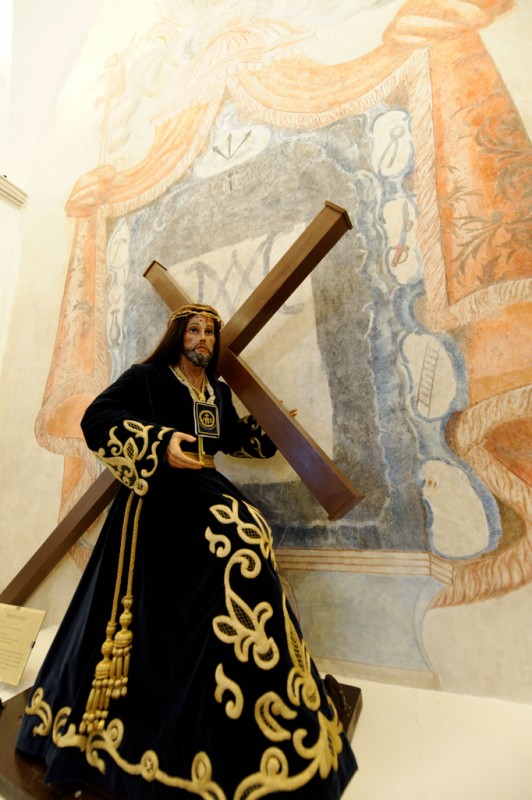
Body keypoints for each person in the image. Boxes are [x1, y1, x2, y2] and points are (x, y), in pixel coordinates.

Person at [16, 303, 357, 799]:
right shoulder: (148, 378)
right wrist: (160, 443)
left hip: (205, 490)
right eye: (194, 330)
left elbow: (232, 438)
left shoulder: (215, 391)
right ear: (178, 335)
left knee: (248, 536)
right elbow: (97, 418)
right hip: (158, 501)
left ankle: (237, 686)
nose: (203, 339)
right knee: (231, 547)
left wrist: (269, 429)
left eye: (210, 333)